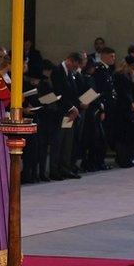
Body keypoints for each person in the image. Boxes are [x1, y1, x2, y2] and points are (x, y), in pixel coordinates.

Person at [50, 52, 83, 180]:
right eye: (75, 65)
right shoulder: (57, 71)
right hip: (61, 111)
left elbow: (72, 92)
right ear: (70, 60)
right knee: (58, 141)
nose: (76, 68)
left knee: (67, 142)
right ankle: (54, 170)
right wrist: (72, 107)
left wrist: (76, 106)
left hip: (70, 113)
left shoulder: (70, 73)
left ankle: (65, 168)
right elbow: (59, 93)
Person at [112, 55, 134, 168]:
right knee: (123, 135)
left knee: (130, 135)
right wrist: (131, 104)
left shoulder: (129, 75)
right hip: (122, 109)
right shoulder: (120, 75)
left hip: (129, 108)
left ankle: (128, 157)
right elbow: (124, 93)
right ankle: (122, 158)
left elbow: (133, 92)